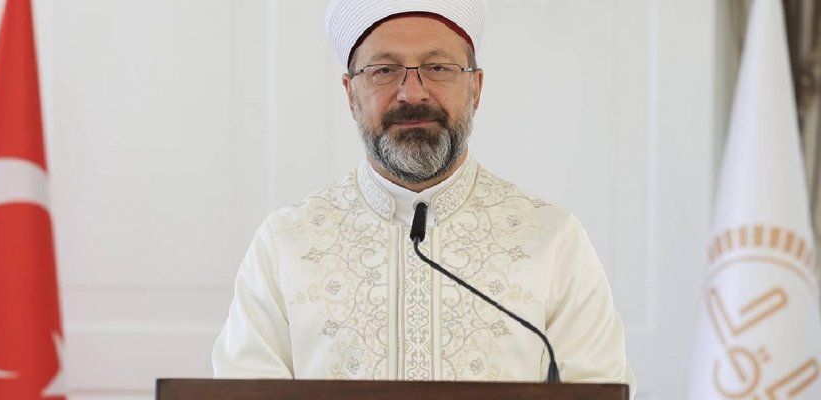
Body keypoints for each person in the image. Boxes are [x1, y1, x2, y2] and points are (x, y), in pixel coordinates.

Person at [212, 0, 636, 396]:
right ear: (350, 95)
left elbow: (596, 386)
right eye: (383, 70)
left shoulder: (552, 238)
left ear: (476, 88)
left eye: (437, 68)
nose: (412, 93)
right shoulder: (286, 242)